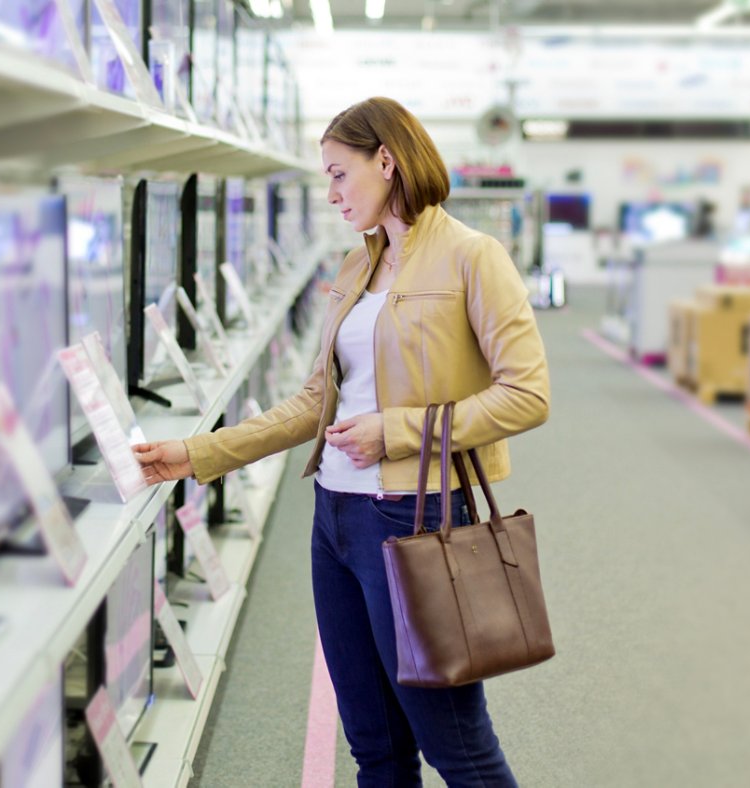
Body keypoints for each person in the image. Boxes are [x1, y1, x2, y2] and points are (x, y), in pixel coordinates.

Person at [132, 96, 550, 787]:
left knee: (458, 749)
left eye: (337, 174)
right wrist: (199, 453)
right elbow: (314, 403)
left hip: (417, 521)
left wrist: (397, 431)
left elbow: (528, 394)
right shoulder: (357, 268)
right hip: (335, 521)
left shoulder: (474, 258)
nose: (329, 195)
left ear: (385, 161)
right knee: (376, 748)